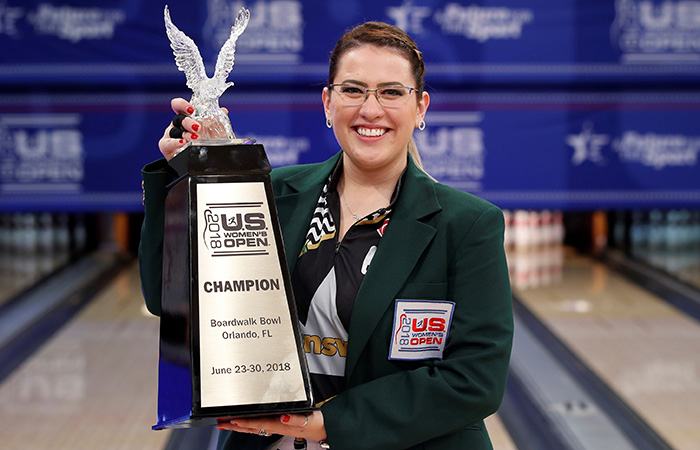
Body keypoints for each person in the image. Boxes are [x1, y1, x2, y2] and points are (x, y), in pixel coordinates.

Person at [140, 21, 513, 450]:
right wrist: (182, 177)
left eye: (391, 92)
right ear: (328, 102)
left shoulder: (467, 224)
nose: (370, 110)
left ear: (421, 107)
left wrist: (329, 424)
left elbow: (476, 379)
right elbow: (170, 301)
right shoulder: (269, 195)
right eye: (353, 90)